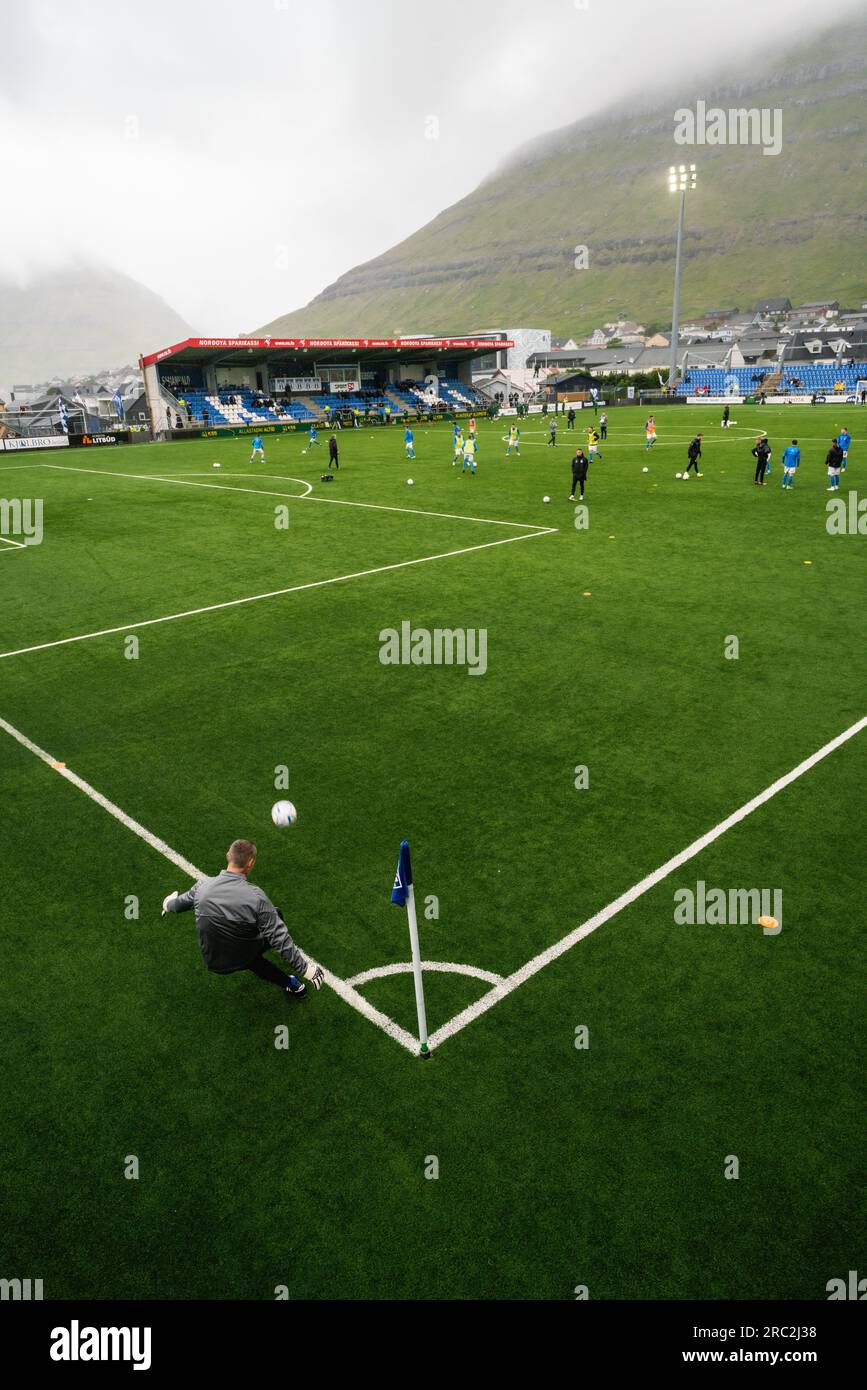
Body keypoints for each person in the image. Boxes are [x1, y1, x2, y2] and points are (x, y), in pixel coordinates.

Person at [161, 839, 324, 1002]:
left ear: (228, 856)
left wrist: (168, 904)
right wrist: (306, 969)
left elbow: (177, 905)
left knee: (248, 951)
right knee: (275, 916)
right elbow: (279, 938)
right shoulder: (255, 897)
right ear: (251, 863)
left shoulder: (202, 886)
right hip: (243, 955)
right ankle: (292, 984)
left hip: (213, 959)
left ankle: (293, 985)